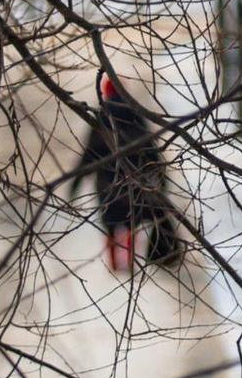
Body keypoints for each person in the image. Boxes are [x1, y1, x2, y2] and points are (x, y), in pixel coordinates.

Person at [71, 62, 180, 271]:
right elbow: (151, 149)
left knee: (111, 224)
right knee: (131, 222)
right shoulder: (136, 115)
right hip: (132, 180)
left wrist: (75, 184)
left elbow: (89, 154)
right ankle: (129, 262)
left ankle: (114, 263)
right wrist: (162, 177)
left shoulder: (101, 117)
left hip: (106, 184)